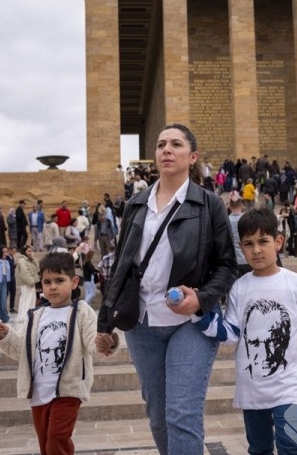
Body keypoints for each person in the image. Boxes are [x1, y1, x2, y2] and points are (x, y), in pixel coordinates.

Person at [96, 123, 238, 454]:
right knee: (159, 418)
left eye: (175, 144)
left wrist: (200, 299)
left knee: (182, 415)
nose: (166, 150)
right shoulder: (136, 204)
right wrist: (105, 323)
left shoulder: (208, 204)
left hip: (190, 324)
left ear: (193, 157)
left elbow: (228, 266)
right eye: (161, 145)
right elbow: (120, 267)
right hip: (142, 324)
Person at [198, 208, 297, 454]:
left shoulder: (296, 284)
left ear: (278, 241)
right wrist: (198, 312)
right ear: (241, 248)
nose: (256, 250)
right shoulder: (239, 288)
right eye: (248, 244)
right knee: (259, 448)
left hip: (288, 388)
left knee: (290, 446)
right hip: (252, 390)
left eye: (263, 241)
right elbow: (231, 334)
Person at [0, 252, 118, 455]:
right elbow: (20, 351)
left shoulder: (82, 311)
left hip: (68, 391)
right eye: (47, 282)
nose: (52, 287)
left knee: (57, 440)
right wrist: (5, 335)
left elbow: (92, 343)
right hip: (39, 393)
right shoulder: (35, 315)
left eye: (59, 280)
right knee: (46, 445)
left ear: (74, 281)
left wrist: (105, 342)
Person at [16, 245, 41, 322]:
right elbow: (24, 273)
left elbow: (37, 268)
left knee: (30, 299)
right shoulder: (22, 260)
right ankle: (25, 317)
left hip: (29, 283)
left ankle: (26, 316)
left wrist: (33, 259)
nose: (30, 252)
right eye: (28, 251)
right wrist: (31, 281)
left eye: (31, 251)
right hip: (27, 284)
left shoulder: (29, 260)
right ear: (24, 252)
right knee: (27, 300)